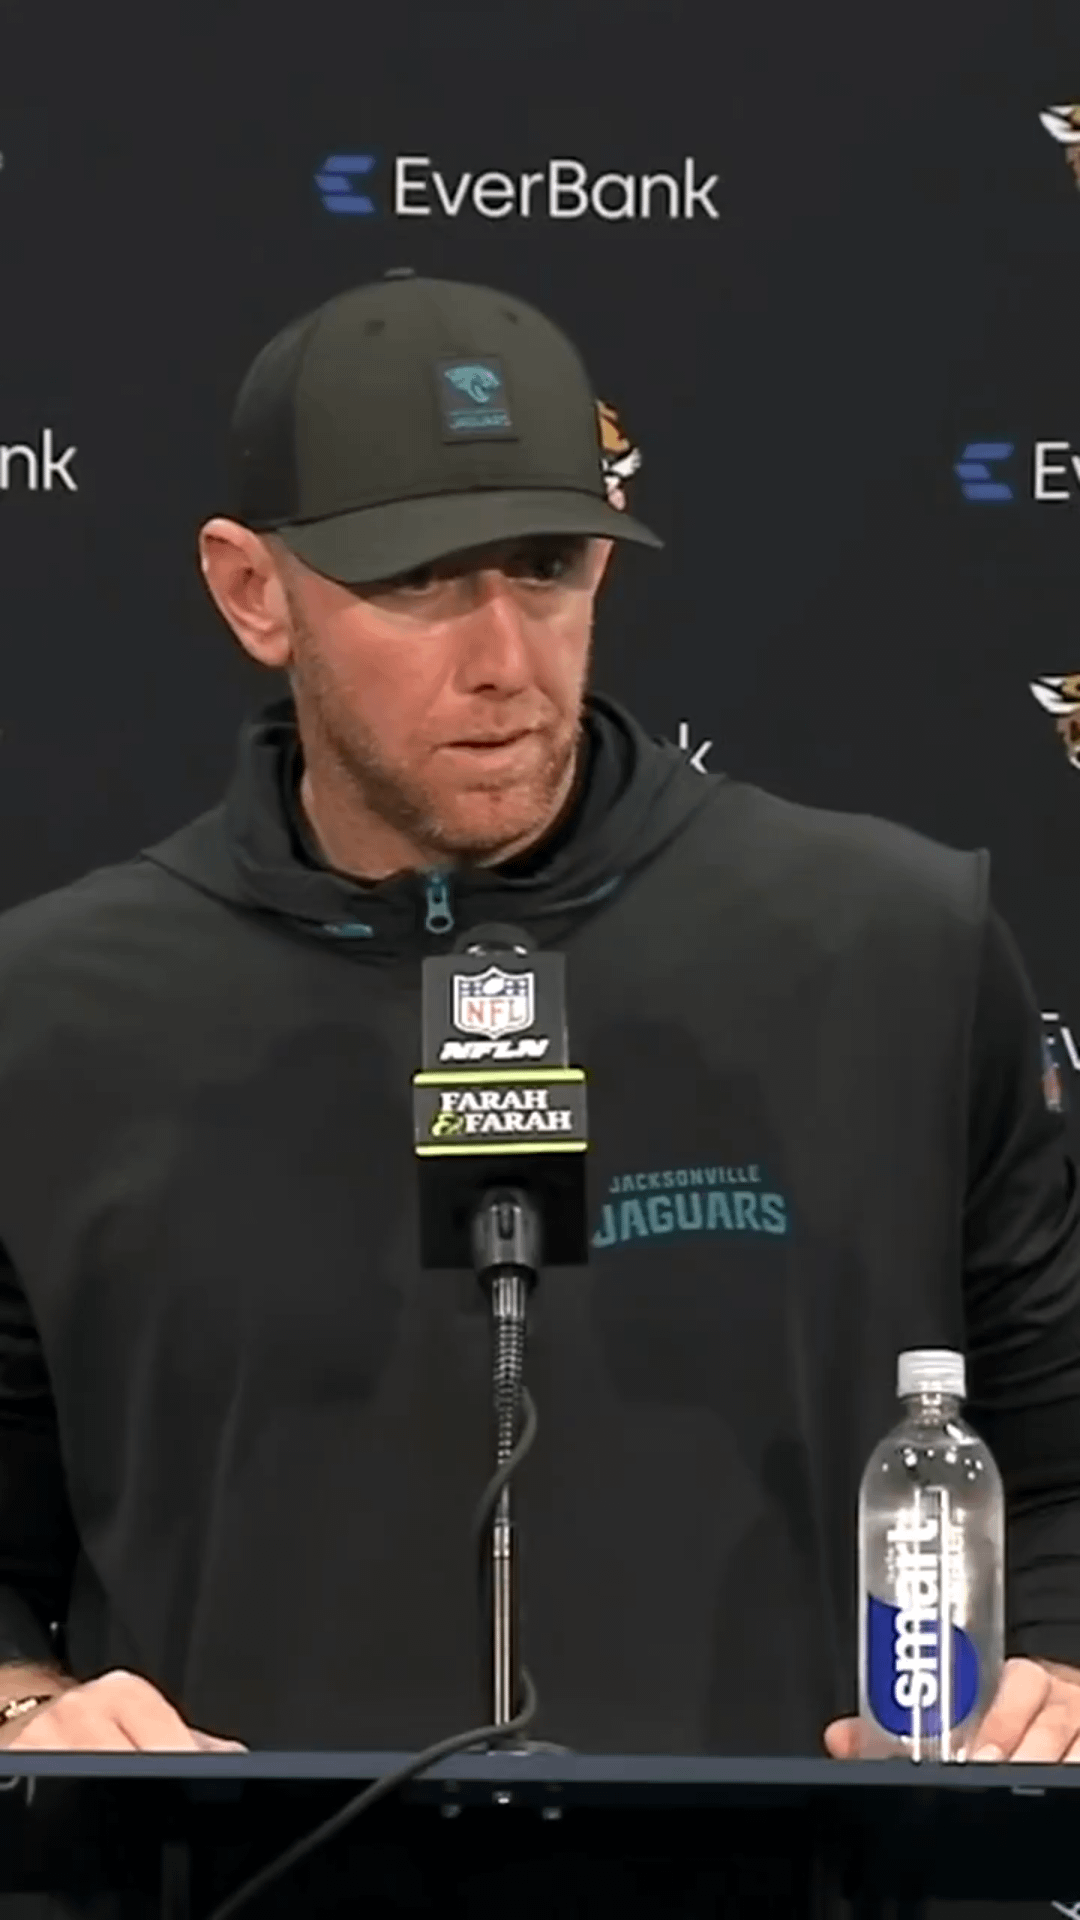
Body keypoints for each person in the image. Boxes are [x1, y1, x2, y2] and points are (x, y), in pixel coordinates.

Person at [0, 271, 1077, 1763]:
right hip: (240, 1873)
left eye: (549, 567)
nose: (505, 659)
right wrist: (27, 1704)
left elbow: (1057, 1451)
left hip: (806, 1867)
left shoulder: (894, 947)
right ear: (253, 590)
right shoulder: (49, 1014)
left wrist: (1057, 1676)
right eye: (421, 582)